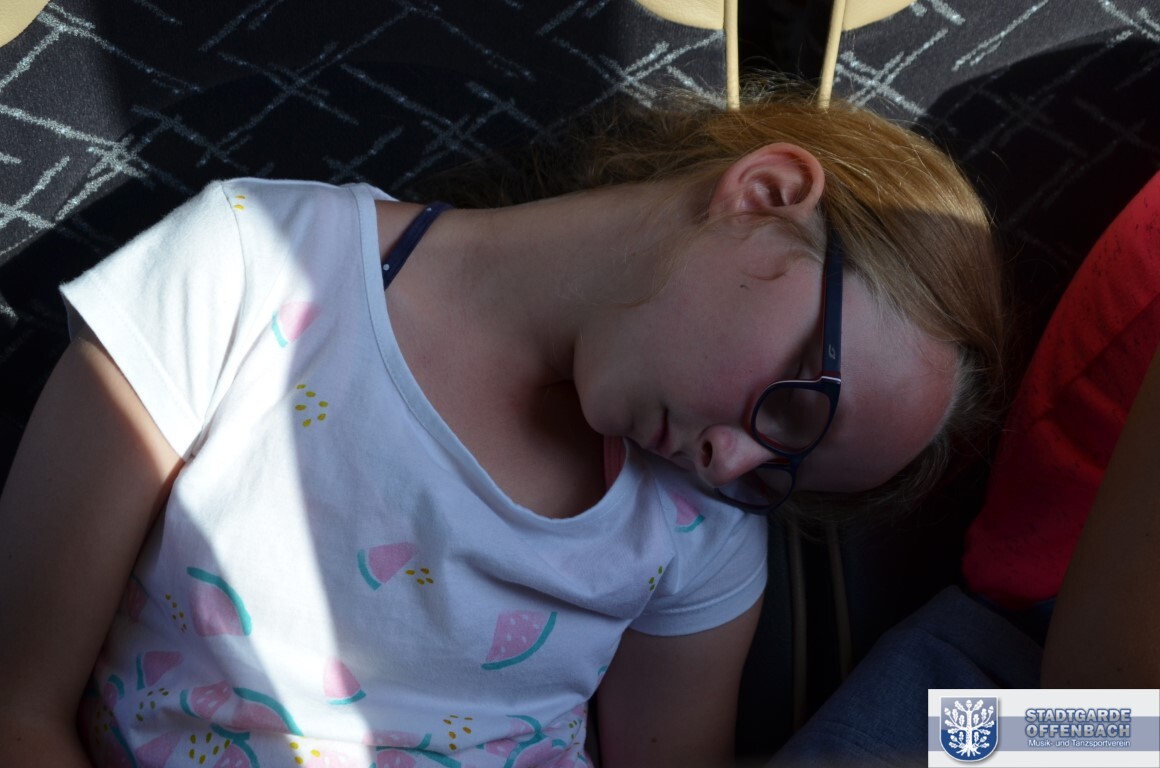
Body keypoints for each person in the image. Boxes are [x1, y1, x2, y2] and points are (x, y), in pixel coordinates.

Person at [0, 83, 1004, 768]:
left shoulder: (698, 522)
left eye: (775, 476)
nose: (727, 458)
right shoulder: (247, 270)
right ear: (765, 193)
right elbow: (19, 711)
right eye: (794, 403)